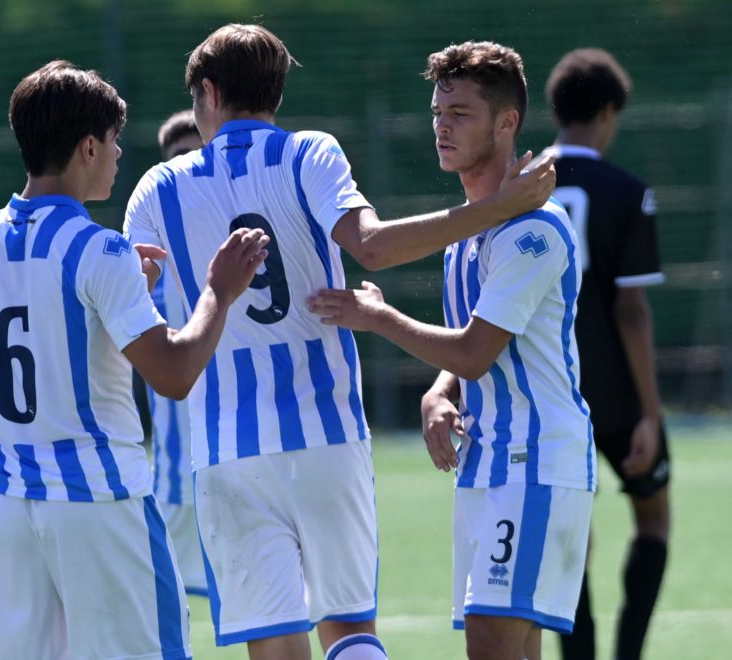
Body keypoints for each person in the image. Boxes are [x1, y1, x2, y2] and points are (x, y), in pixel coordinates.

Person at [125, 25, 556, 660]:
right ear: (276, 93)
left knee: (275, 645)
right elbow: (372, 248)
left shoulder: (157, 187)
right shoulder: (311, 152)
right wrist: (494, 209)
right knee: (351, 636)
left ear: (209, 94)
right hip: (327, 434)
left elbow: (129, 301)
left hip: (225, 448)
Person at [0, 60, 269, 660]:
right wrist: (218, 293)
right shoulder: (101, 249)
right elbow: (173, 374)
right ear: (88, 147)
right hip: (98, 499)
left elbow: (43, 333)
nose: (120, 153)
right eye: (114, 139)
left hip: (4, 502)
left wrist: (123, 296)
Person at [309, 41, 594, 660]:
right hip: (486, 462)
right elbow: (468, 356)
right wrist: (440, 392)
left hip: (537, 462)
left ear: (507, 122)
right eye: (438, 111)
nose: (442, 125)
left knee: (491, 640)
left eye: (461, 113)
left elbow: (474, 351)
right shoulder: (466, 231)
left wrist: (379, 318)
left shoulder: (533, 231)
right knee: (505, 645)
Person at [543, 48, 670, 660]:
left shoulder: (515, 186)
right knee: (654, 519)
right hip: (617, 395)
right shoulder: (627, 191)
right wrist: (651, 413)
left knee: (572, 540)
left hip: (547, 393)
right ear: (609, 112)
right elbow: (631, 310)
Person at [147, 110, 208, 597]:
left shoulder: (237, 247)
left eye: (194, 156)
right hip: (172, 478)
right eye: (175, 159)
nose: (184, 168)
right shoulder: (147, 259)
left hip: (237, 461)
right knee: (165, 616)